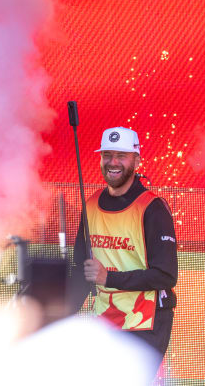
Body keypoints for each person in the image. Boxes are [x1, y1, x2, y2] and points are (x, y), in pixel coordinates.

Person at [68, 126, 178, 363]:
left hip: (146, 322)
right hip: (105, 319)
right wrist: (59, 311)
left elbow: (165, 277)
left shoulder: (152, 208)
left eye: (121, 155)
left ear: (136, 160)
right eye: (107, 154)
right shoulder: (91, 205)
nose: (113, 162)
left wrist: (109, 278)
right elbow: (82, 270)